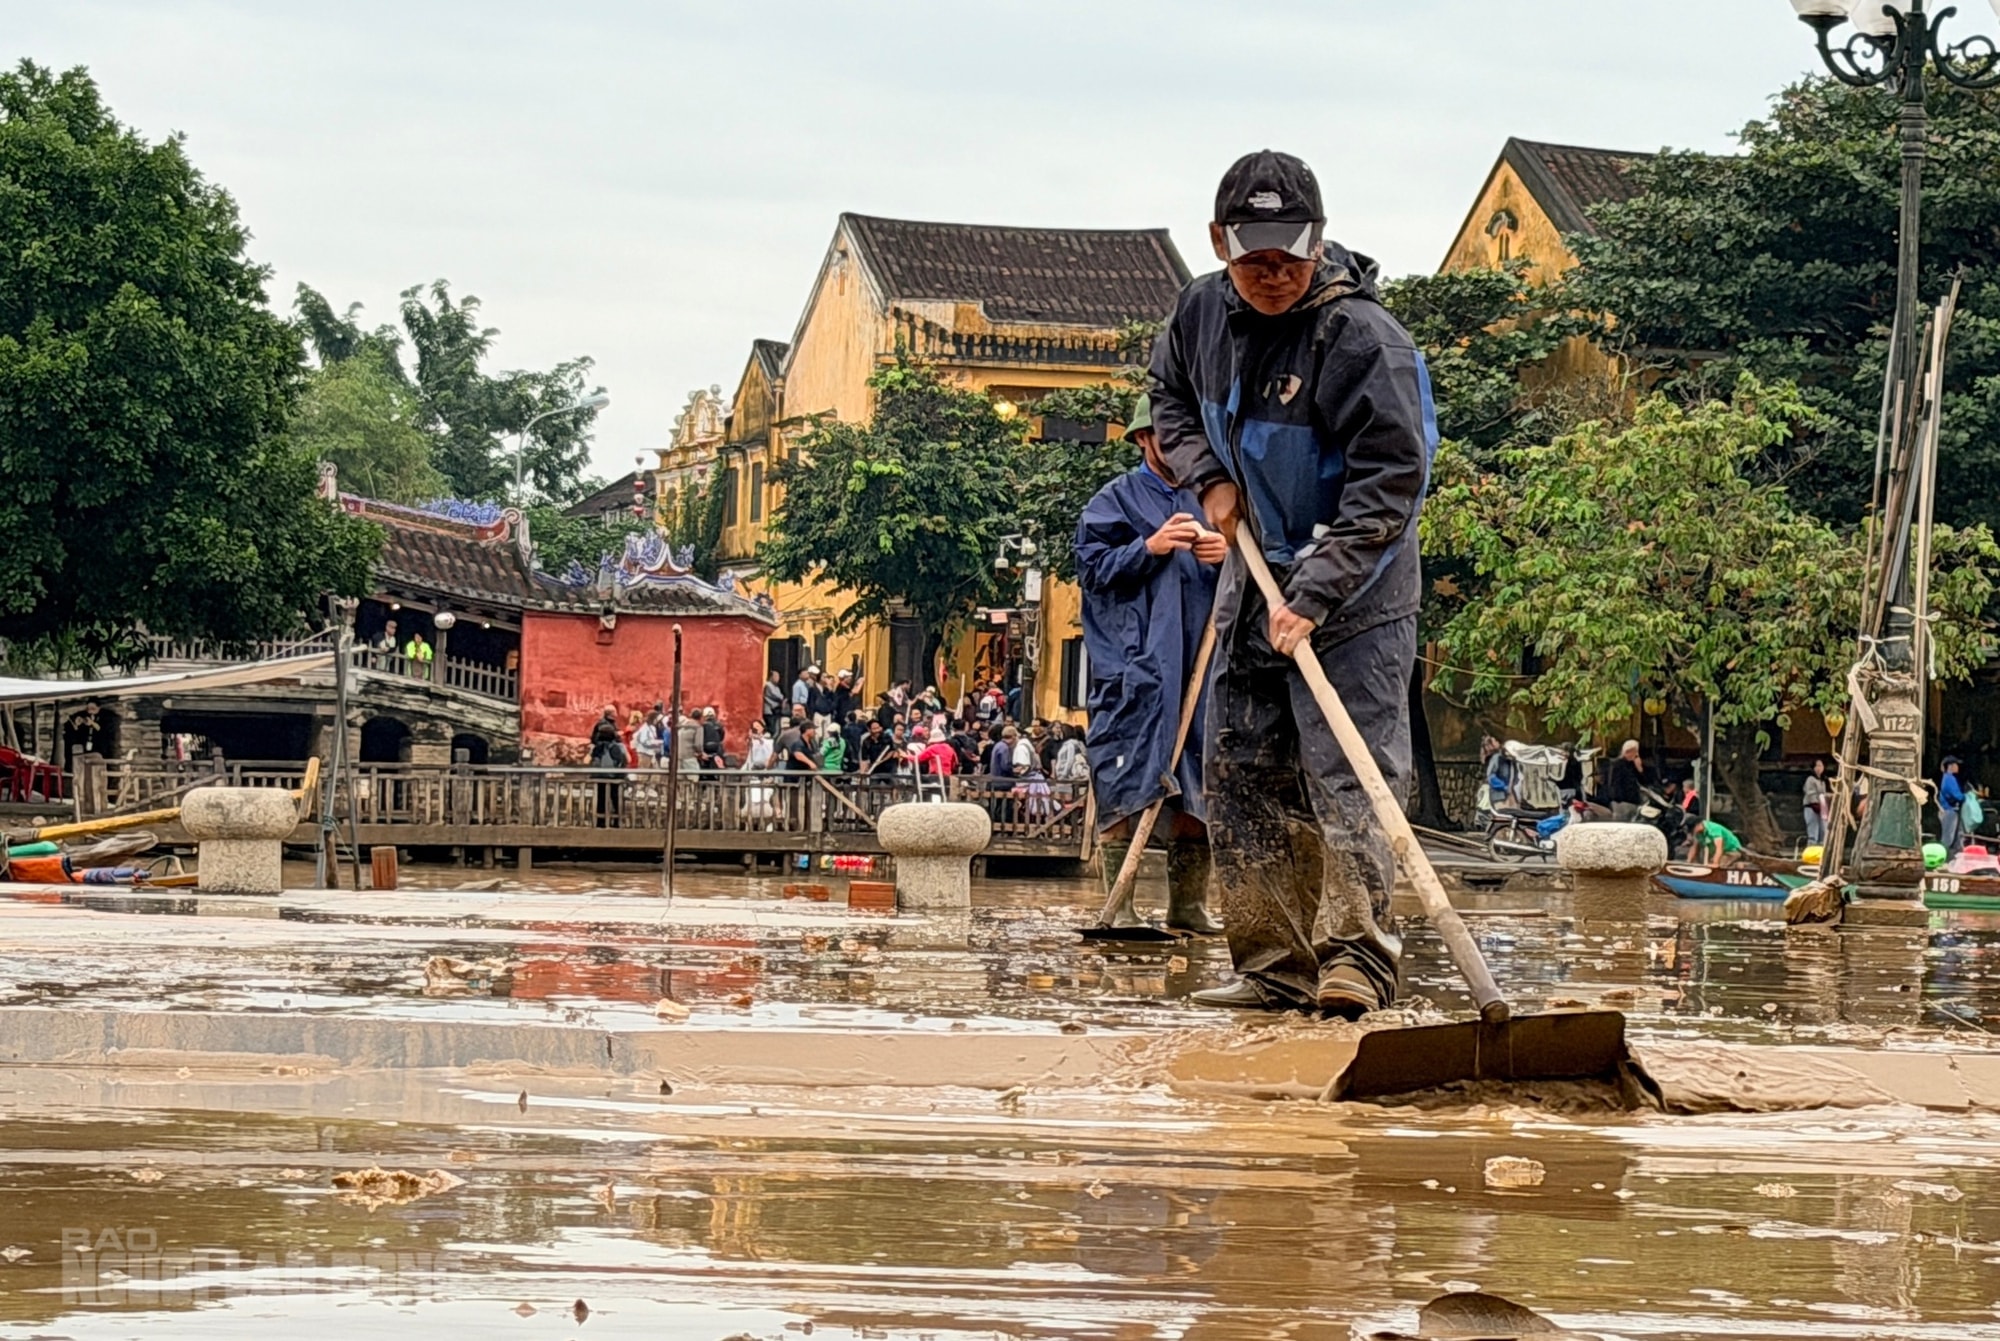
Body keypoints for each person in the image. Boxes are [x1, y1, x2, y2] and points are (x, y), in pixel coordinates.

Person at [1152, 149, 1436, 1017]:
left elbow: (1393, 479)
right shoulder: (1199, 313)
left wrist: (1316, 590)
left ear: (1319, 242)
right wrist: (1209, 478)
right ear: (1219, 243)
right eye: (1254, 257)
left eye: (1290, 254)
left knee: (1349, 767)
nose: (1273, 274)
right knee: (1241, 767)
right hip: (1255, 566)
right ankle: (1274, 963)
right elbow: (1166, 399)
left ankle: (1360, 957)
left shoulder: (1362, 340)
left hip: (1360, 581)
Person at [1077, 392, 1227, 935]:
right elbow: (1093, 570)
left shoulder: (1215, 500)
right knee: (1125, 780)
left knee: (1198, 787)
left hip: (1201, 669)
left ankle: (1188, 906)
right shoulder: (1112, 502)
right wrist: (1152, 546)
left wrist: (1226, 555)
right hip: (1135, 671)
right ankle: (1119, 904)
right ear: (1144, 439)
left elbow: (1258, 570)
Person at [1604, 740, 1644, 823]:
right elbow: (1614, 784)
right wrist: (1619, 799)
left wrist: (1639, 768)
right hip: (1622, 802)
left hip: (1632, 801)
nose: (1637, 754)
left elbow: (1641, 780)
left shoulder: (1632, 764)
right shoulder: (1617, 764)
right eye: (1635, 752)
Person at [1940, 756, 1967, 856]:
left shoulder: (1947, 778)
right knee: (1948, 837)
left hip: (1951, 810)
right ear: (1950, 766)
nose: (1958, 767)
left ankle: (1954, 857)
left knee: (1956, 837)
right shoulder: (1949, 779)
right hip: (1949, 811)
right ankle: (1942, 857)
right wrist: (1966, 796)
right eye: (1956, 765)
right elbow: (1957, 795)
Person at [1802, 757, 1829, 847]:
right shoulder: (1810, 779)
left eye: (1821, 766)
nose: (1819, 768)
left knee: (1823, 831)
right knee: (1813, 832)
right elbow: (1810, 793)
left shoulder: (1823, 781)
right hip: (1812, 807)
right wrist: (1815, 804)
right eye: (1817, 766)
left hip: (1822, 808)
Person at [761, 671, 786, 737]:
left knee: (776, 728)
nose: (778, 678)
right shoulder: (768, 685)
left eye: (778, 677)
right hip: (769, 710)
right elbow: (777, 696)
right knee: (771, 728)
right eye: (776, 676)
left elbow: (781, 696)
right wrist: (782, 698)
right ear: (771, 677)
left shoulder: (777, 687)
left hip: (776, 710)